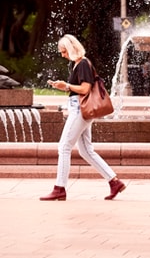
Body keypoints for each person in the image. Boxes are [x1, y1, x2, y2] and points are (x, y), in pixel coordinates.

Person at [40, 34, 126, 201]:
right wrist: (63, 87)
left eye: (64, 51)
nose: (62, 55)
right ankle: (114, 182)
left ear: (71, 49)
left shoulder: (83, 64)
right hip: (80, 109)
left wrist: (67, 86)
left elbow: (85, 89)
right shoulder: (78, 64)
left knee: (64, 146)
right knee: (86, 150)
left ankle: (59, 188)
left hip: (80, 109)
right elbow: (79, 88)